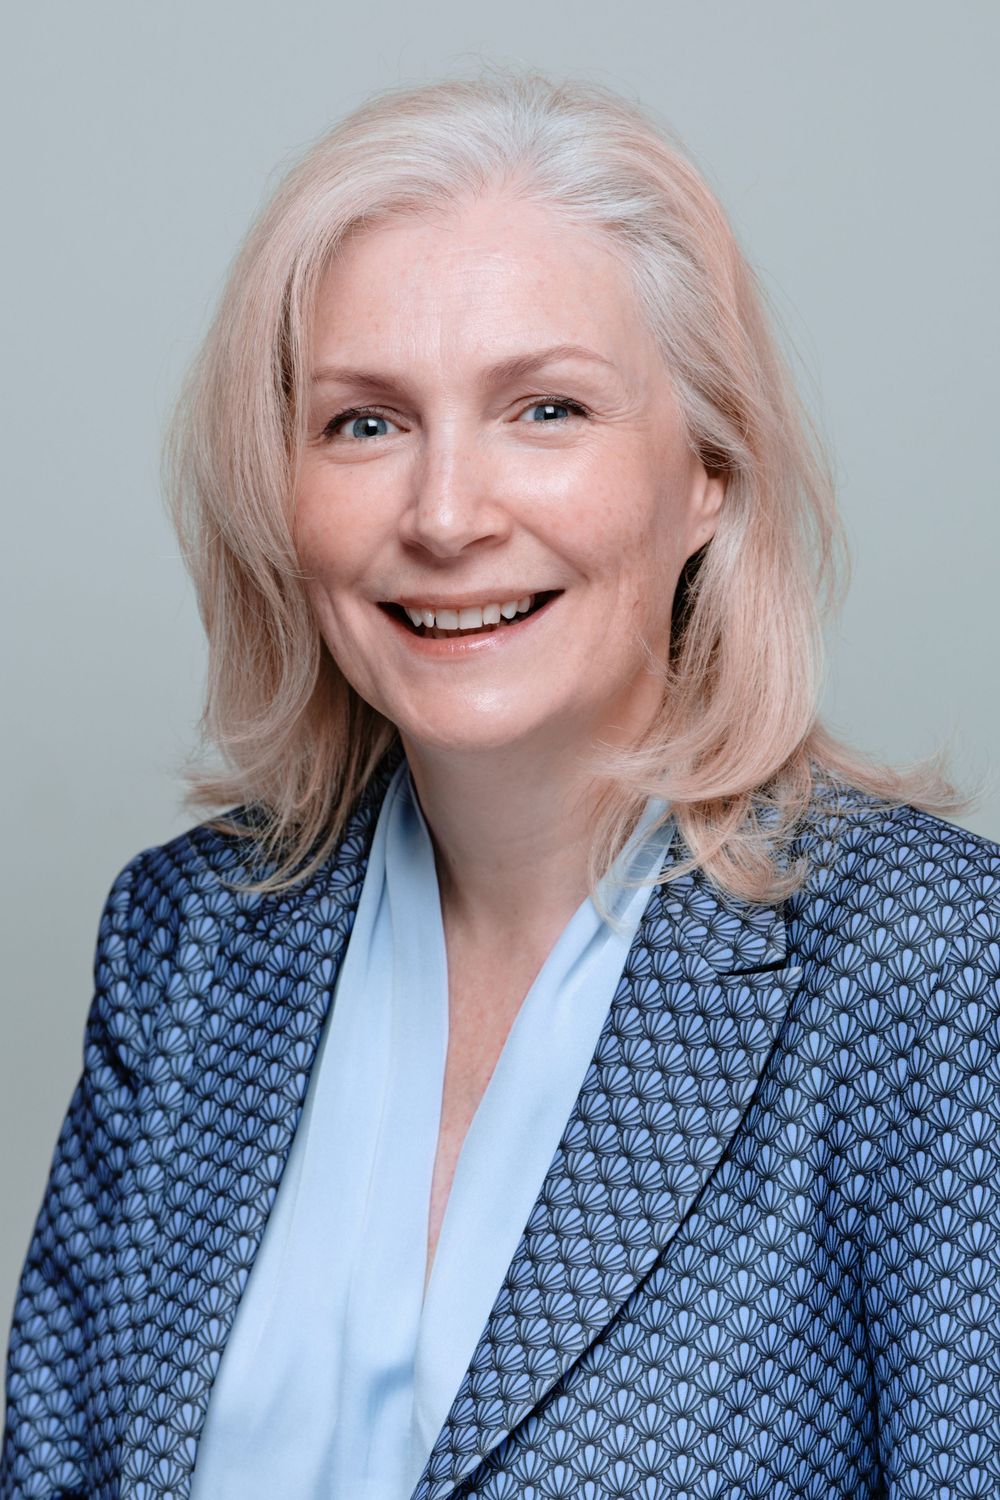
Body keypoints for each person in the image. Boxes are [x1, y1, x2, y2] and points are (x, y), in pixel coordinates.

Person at [2, 66, 998, 1500]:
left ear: (707, 469)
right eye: (366, 423)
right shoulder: (186, 946)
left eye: (545, 409)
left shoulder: (931, 967)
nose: (448, 514)